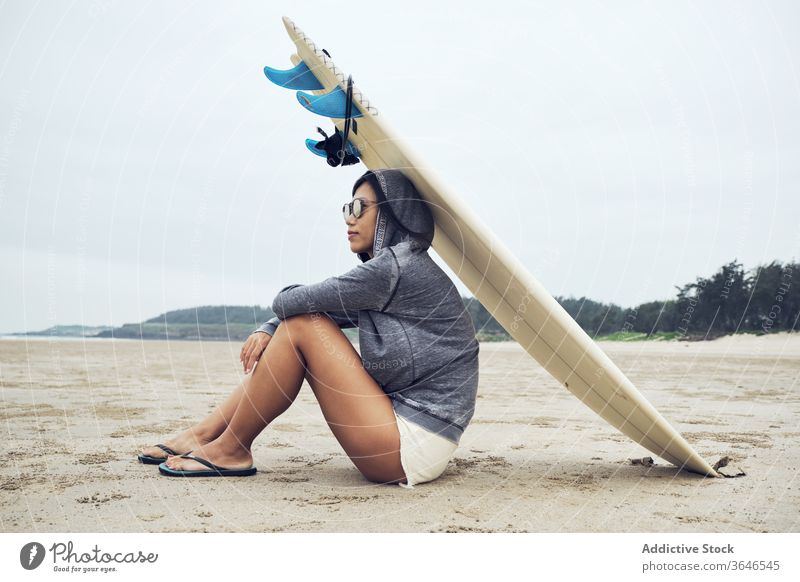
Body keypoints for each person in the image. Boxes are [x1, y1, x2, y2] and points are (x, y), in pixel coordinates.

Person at [139, 168, 480, 487]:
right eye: (346, 207)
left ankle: (230, 449)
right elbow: (315, 310)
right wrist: (271, 327)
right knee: (301, 325)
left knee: (301, 326)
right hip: (418, 438)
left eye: (360, 207)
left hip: (409, 445)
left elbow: (290, 302)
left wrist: (273, 324)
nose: (349, 218)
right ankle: (203, 435)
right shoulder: (400, 268)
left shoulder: (395, 268)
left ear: (392, 212)